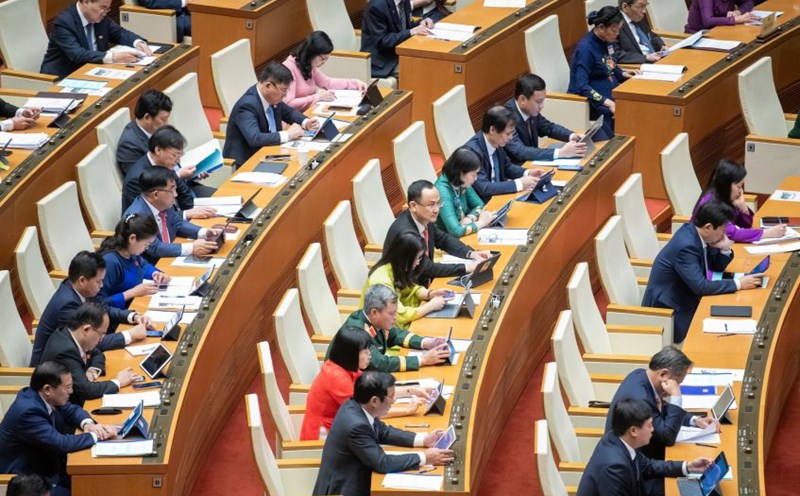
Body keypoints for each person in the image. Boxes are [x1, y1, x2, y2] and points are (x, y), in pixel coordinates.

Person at [312, 371, 454, 496]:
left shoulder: (356, 405)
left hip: (357, 478)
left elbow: (382, 431)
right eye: (391, 398)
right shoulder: (356, 425)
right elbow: (382, 463)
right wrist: (425, 457)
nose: (394, 401)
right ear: (374, 401)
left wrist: (424, 440)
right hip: (344, 489)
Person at [642, 200, 764, 343]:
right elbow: (700, 286)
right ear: (708, 227)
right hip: (670, 312)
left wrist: (724, 249)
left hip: (687, 298)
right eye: (723, 231)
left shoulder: (700, 235)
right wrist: (738, 284)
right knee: (718, 340)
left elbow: (715, 268)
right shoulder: (687, 246)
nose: (726, 235)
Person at [605, 347, 719, 496]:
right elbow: (667, 437)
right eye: (677, 383)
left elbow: (660, 405)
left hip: (642, 462)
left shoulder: (640, 375)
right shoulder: (641, 398)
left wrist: (694, 420)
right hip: (639, 473)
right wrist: (676, 397)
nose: (676, 388)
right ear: (664, 374)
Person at [0, 361, 117, 494]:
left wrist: (88, 425)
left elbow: (72, 410)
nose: (71, 391)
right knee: (89, 487)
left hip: (51, 465)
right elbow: (61, 443)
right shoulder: (28, 412)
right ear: (48, 389)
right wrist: (97, 435)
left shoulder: (45, 396)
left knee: (101, 481)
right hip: (30, 483)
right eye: (67, 387)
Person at [301, 326, 431, 441]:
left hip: (343, 425)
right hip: (324, 435)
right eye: (365, 351)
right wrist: (407, 410)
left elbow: (374, 390)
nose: (370, 355)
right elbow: (367, 411)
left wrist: (412, 390)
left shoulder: (346, 366)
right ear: (351, 354)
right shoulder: (337, 377)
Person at [31, 251, 150, 367]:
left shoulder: (78, 289)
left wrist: (132, 316)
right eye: (99, 281)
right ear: (82, 280)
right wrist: (130, 335)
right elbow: (89, 341)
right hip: (50, 373)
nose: (102, 285)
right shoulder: (67, 305)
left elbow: (103, 309)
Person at [577, 398, 713, 495]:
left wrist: (689, 466)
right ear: (634, 430)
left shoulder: (619, 438)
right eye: (649, 426)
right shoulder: (614, 467)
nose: (653, 430)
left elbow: (648, 466)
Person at [383, 180, 492, 287]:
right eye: (431, 205)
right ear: (413, 206)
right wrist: (467, 267)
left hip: (425, 282)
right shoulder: (406, 234)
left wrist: (471, 254)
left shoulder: (423, 218)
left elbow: (444, 240)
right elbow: (427, 269)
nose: (436, 210)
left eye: (438, 203)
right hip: (408, 290)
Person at [40, 302, 141, 407]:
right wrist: (118, 382)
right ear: (86, 329)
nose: (101, 340)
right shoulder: (65, 352)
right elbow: (87, 390)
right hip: (64, 410)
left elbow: (98, 354)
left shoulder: (73, 335)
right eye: (101, 334)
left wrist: (91, 372)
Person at [223, 61, 319, 167]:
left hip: (270, 154)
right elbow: (255, 138)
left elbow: (288, 112)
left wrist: (306, 122)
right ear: (268, 85)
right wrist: (288, 134)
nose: (285, 95)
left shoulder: (271, 98)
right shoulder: (247, 106)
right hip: (247, 163)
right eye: (283, 91)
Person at [341, 285, 452, 372]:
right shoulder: (357, 330)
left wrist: (427, 342)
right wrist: (422, 360)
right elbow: (379, 364)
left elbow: (395, 335)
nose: (396, 317)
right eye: (392, 313)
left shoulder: (373, 319)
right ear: (374, 312)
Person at [568, 6, 638, 141]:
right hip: (593, 102)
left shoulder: (607, 41)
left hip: (611, 90)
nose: (617, 34)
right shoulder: (585, 49)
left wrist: (622, 73)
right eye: (614, 30)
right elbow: (581, 86)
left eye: (619, 30)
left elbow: (609, 63)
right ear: (601, 27)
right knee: (624, 114)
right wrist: (609, 103)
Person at [122, 166, 221, 263]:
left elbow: (177, 223)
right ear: (155, 194)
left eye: (175, 189)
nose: (175, 194)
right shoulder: (138, 217)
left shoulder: (162, 203)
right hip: (153, 266)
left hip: (171, 257)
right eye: (171, 190)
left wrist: (204, 233)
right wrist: (191, 247)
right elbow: (155, 248)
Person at [40, 0, 153, 78]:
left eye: (108, 8)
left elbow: (119, 33)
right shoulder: (64, 23)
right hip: (62, 78)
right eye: (103, 7)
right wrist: (115, 57)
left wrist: (138, 42)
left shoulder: (100, 17)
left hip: (92, 71)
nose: (105, 12)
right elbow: (78, 55)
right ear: (86, 2)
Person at [362, 232, 452, 328]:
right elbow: (397, 315)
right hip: (383, 331)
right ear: (405, 257)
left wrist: (430, 294)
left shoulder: (397, 268)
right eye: (417, 258)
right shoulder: (381, 280)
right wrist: (430, 306)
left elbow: (411, 288)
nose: (418, 263)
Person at [121, 125, 216, 215]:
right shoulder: (136, 179)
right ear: (158, 150)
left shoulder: (165, 163)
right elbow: (151, 217)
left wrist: (195, 213)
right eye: (175, 155)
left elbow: (184, 193)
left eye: (180, 155)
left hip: (175, 215)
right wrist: (187, 214)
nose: (178, 160)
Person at [464, 106, 546, 202]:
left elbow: (506, 167)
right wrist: (519, 183)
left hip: (501, 198)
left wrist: (528, 173)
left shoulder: (496, 141)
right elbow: (484, 187)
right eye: (508, 134)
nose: (511, 138)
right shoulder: (473, 152)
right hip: (484, 205)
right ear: (492, 130)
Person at [692, 159, 786, 243]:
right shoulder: (711, 203)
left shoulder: (725, 196)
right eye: (739, 186)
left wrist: (743, 207)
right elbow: (732, 233)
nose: (741, 191)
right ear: (727, 184)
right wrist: (768, 233)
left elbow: (747, 226)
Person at [504, 74, 587, 163]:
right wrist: (561, 152)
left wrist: (572, 136)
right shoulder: (506, 117)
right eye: (538, 102)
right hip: (517, 170)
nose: (542, 106)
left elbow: (549, 127)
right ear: (522, 99)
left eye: (543, 101)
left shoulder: (530, 111)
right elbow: (521, 151)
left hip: (532, 164)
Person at [97, 213, 170, 309]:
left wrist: (155, 274)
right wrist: (132, 293)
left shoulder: (131, 251)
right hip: (120, 314)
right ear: (132, 238)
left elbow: (144, 266)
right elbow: (99, 303)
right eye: (146, 244)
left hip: (137, 303)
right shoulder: (110, 262)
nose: (147, 247)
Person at [282, 31, 367, 112]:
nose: (323, 63)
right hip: (295, 119)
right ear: (312, 53)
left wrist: (355, 83)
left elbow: (327, 82)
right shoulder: (289, 68)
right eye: (322, 59)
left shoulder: (308, 64)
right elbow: (289, 104)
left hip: (310, 111)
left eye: (326, 59)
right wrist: (318, 97)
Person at [360, 0, 434, 79]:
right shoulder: (376, 7)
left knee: (430, 63)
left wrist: (421, 24)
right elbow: (382, 42)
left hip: (400, 52)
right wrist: (411, 32)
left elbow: (405, 27)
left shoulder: (404, 2)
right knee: (420, 71)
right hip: (383, 61)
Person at [435, 148, 496, 237]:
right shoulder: (442, 192)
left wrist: (470, 218)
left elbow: (480, 205)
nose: (476, 178)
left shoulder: (460, 180)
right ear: (460, 172)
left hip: (464, 233)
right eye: (473, 174)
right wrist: (481, 223)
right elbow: (456, 231)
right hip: (445, 240)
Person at [116, 90, 172, 175]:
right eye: (163, 119)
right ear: (147, 118)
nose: (166, 124)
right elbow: (140, 181)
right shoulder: (129, 146)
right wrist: (179, 175)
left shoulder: (156, 130)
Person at [685, 0, 756, 33]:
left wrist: (739, 12)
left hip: (722, 29)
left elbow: (748, 2)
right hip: (699, 35)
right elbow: (708, 21)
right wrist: (735, 20)